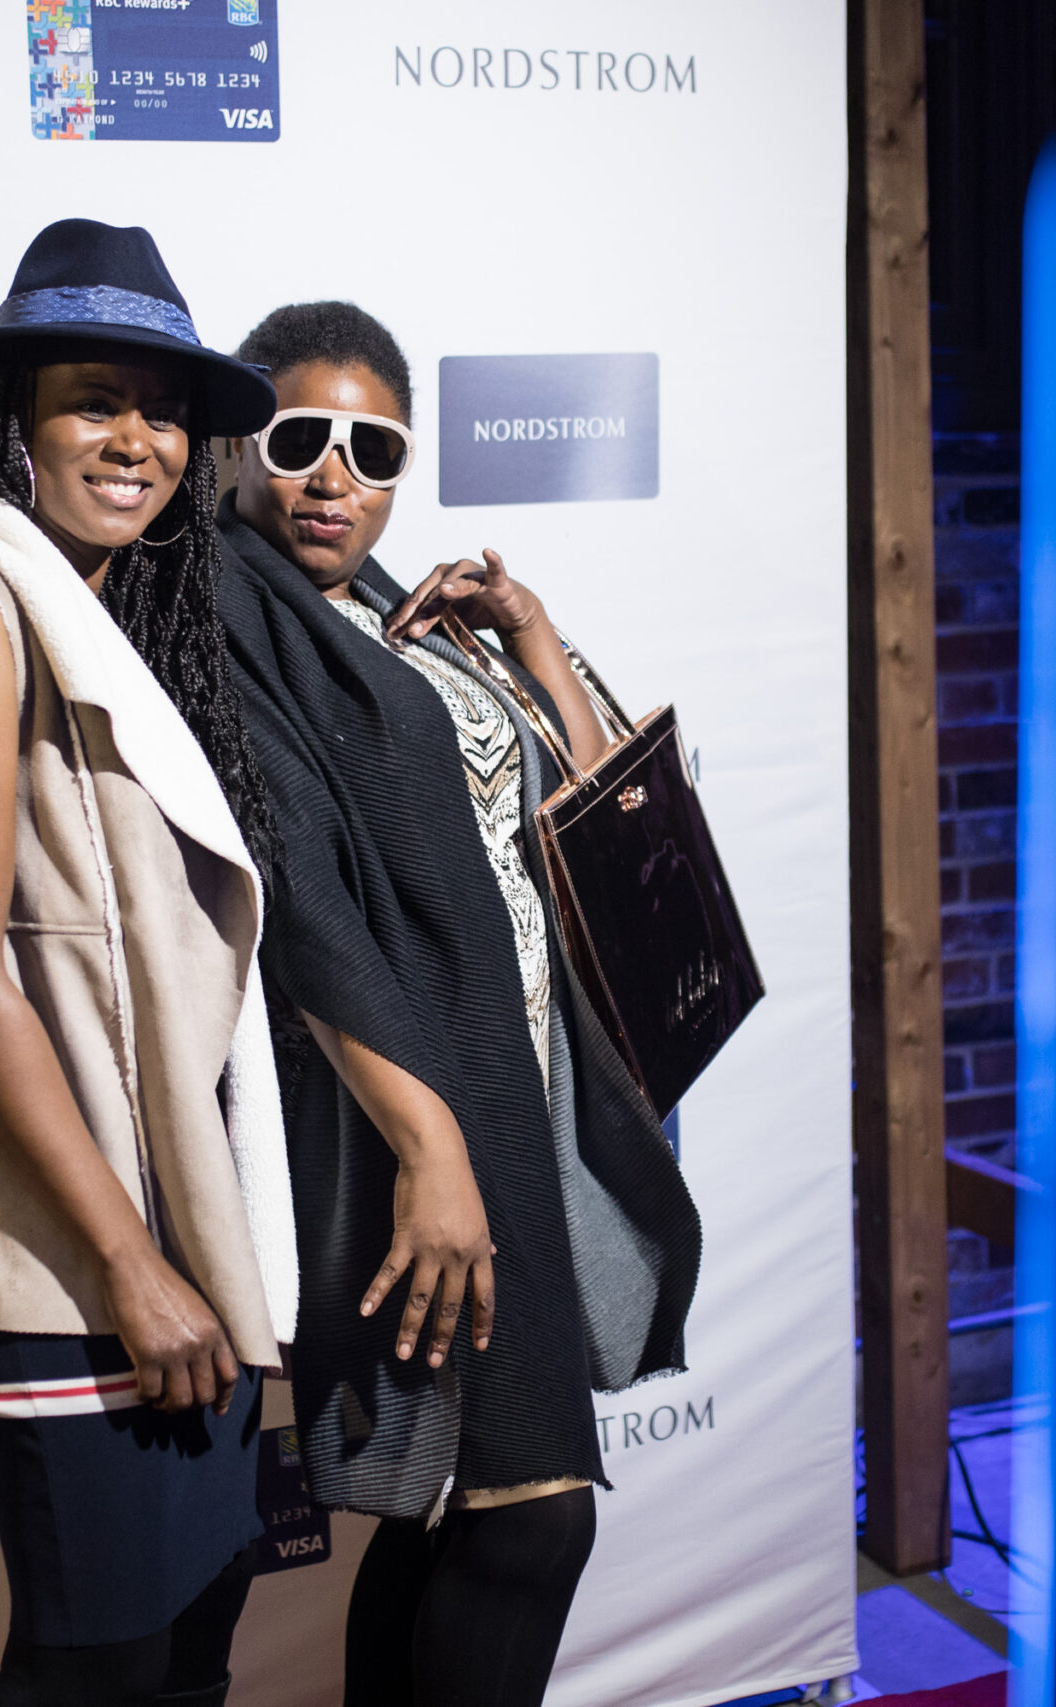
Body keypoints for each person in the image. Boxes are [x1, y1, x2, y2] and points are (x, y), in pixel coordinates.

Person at [0, 219, 294, 1707]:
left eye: (164, 410)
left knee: (182, 1645)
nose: (139, 438)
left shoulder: (88, 611)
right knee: (99, 1669)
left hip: (168, 1234)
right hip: (72, 1257)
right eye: (96, 398)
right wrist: (129, 1264)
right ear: (12, 424)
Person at [213, 301, 702, 1707]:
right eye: (300, 436)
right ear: (245, 441)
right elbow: (301, 900)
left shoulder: (383, 610)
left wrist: (531, 642)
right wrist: (433, 1155)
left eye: (372, 449)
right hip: (412, 1111)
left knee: (460, 1519)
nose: (331, 476)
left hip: (523, 1088)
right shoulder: (232, 613)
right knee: (536, 1513)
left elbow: (608, 830)